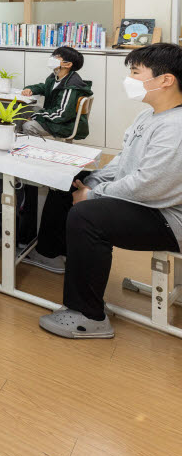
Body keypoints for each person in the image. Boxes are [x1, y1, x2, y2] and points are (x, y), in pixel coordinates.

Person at [29, 44, 182, 339]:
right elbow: (124, 162)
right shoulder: (148, 116)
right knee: (69, 179)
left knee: (88, 216)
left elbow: (150, 185)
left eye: (136, 72)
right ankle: (52, 254)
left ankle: (88, 315)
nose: (130, 79)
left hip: (168, 216)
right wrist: (92, 181)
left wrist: (95, 195)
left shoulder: (175, 127)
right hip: (149, 202)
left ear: (165, 80)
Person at [19, 46, 92, 140]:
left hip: (65, 125)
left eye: (57, 56)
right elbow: (44, 87)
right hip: (55, 119)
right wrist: (30, 89)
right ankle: (17, 145)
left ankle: (37, 150)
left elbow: (61, 114)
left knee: (29, 126)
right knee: (22, 110)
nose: (52, 58)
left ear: (68, 64)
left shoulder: (71, 86)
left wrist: (35, 116)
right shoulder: (55, 77)